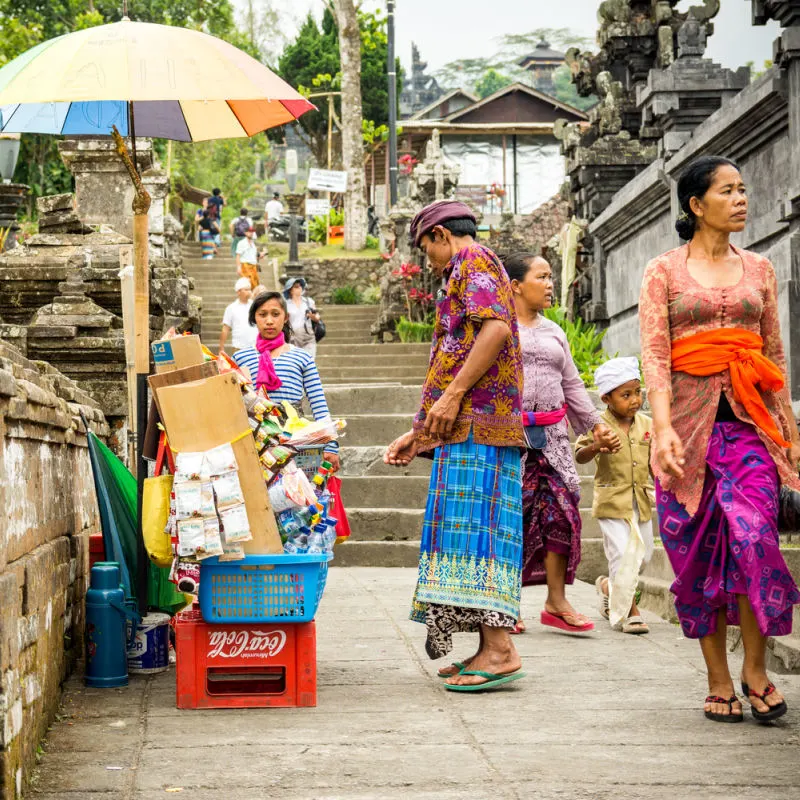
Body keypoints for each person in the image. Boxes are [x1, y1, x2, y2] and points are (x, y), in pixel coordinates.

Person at [639, 154, 800, 724]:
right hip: (685, 434)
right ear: (695, 204)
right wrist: (660, 431)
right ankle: (718, 678)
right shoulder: (663, 271)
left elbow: (774, 354)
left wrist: (790, 432)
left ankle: (757, 670)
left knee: (756, 538)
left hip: (751, 426)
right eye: (727, 190)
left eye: (743, 189)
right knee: (698, 554)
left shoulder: (760, 269)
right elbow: (656, 357)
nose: (741, 199)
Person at [383, 200, 526, 693]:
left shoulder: (473, 261)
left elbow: (497, 328)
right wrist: (419, 431)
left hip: (481, 426)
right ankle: (491, 646)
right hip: (464, 426)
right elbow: (454, 356)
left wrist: (454, 393)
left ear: (443, 235)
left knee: (478, 537)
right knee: (465, 539)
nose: (429, 261)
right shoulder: (464, 270)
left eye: (428, 249)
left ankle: (501, 649)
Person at [504, 252, 618, 635]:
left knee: (561, 518)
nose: (551, 284)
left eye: (552, 276)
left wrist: (595, 427)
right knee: (510, 521)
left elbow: (572, 386)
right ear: (516, 285)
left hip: (553, 442)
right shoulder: (497, 330)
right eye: (543, 277)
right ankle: (506, 605)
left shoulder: (555, 332)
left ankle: (556, 602)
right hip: (510, 441)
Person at [575, 357, 654, 635]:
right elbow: (579, 454)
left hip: (640, 501)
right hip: (611, 502)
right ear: (607, 398)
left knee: (644, 555)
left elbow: (654, 462)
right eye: (626, 395)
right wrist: (596, 446)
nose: (635, 400)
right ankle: (630, 612)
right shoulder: (598, 425)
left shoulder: (647, 423)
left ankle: (608, 587)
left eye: (638, 392)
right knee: (622, 555)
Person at [232, 291, 339, 473]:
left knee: (297, 497)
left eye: (275, 314)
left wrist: (331, 445)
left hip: (295, 441)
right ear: (253, 318)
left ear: (286, 317)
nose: (269, 321)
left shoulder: (301, 357)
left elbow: (319, 404)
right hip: (254, 442)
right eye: (262, 314)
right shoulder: (240, 358)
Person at [283, 277, 321, 358]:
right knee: (295, 364)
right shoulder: (286, 304)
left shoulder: (309, 301)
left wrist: (312, 316)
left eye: (300, 286)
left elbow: (317, 317)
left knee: (309, 361)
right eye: (296, 286)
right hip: (293, 338)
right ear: (290, 290)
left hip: (308, 336)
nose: (299, 288)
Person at [219, 278, 257, 355]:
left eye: (249, 289)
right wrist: (221, 348)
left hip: (255, 346)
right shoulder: (231, 308)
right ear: (239, 291)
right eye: (246, 290)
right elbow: (225, 328)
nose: (249, 292)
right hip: (238, 347)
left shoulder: (254, 305)